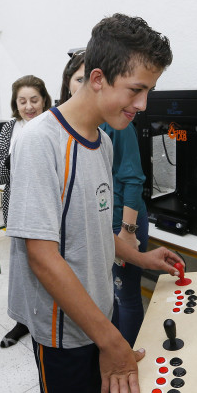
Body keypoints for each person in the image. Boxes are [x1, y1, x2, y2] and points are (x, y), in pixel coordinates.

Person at [5, 13, 182, 393]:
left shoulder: (102, 142)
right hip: (64, 332)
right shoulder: (40, 142)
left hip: (96, 317)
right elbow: (42, 257)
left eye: (148, 91)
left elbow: (95, 227)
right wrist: (112, 342)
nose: (142, 104)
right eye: (136, 90)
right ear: (98, 79)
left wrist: (140, 257)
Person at [61, 49, 149, 346]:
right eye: (78, 79)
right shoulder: (62, 131)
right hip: (98, 224)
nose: (84, 85)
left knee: (125, 294)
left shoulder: (116, 125)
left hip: (123, 221)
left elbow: (133, 179)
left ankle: (128, 353)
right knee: (104, 293)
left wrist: (127, 232)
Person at [0, 75, 53, 348]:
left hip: (48, 209)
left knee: (49, 266)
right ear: (15, 104)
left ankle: (49, 320)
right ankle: (23, 321)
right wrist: (17, 154)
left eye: (34, 100)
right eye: (22, 101)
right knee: (22, 270)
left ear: (44, 100)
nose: (29, 107)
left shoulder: (55, 125)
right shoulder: (10, 129)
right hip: (17, 208)